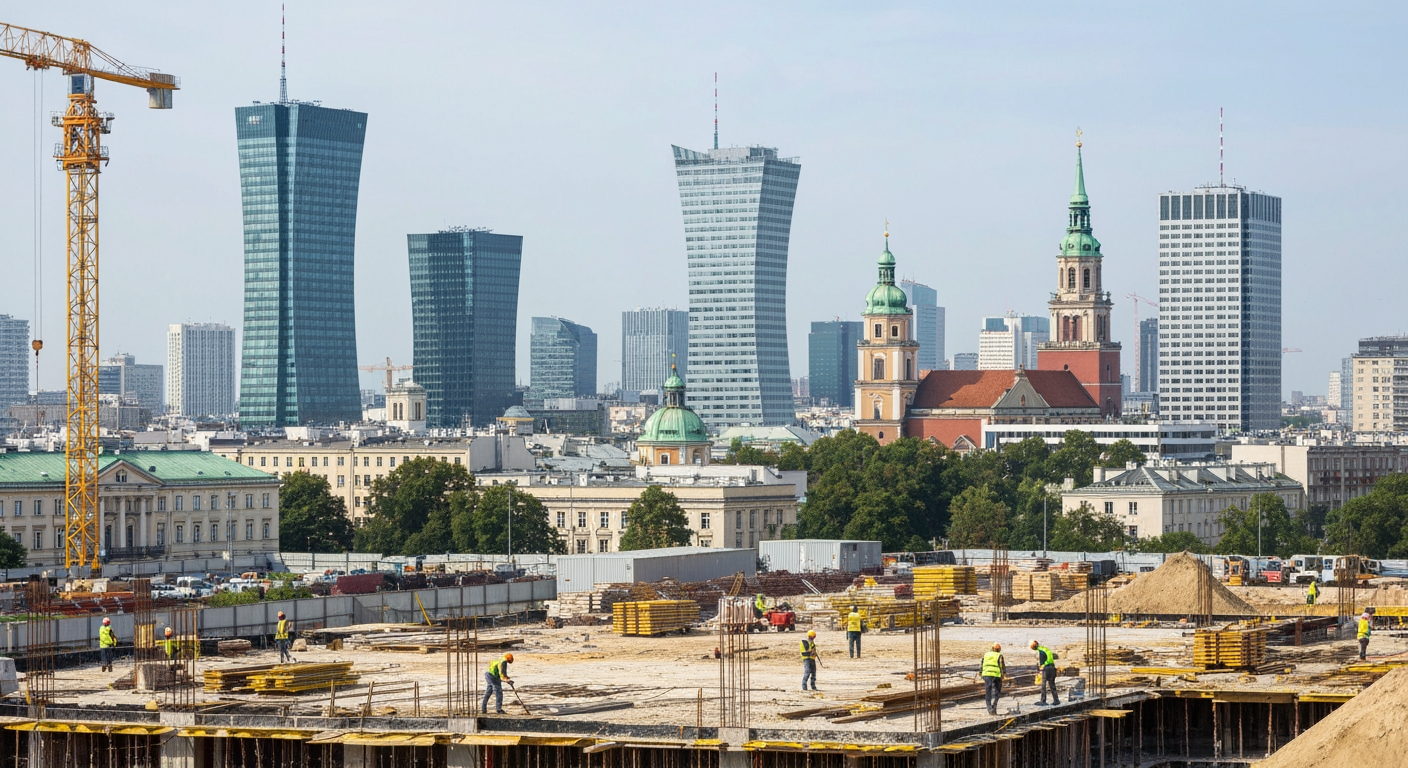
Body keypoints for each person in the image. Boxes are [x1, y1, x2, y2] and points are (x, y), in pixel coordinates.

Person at [1029, 639, 1059, 705]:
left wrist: (1039, 669)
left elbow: (1041, 662)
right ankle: (1056, 700)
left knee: (1043, 685)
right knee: (1052, 685)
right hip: (1052, 667)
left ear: (1033, 647)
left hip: (1046, 668)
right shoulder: (1045, 648)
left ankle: (1043, 701)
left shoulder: (1039, 651)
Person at [981, 643, 1006, 716]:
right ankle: (994, 706)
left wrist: (981, 673)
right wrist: (1004, 674)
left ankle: (989, 709)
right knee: (997, 691)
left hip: (986, 674)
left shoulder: (986, 654)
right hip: (996, 675)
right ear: (999, 649)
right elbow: (1002, 665)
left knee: (988, 691)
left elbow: (982, 664)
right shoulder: (999, 655)